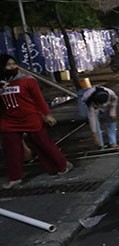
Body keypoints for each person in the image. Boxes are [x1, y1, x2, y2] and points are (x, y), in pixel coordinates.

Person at [0, 54, 72, 189]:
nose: (12, 67)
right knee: (11, 150)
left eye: (14, 64)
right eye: (8, 65)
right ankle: (15, 177)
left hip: (30, 118)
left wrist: (47, 115)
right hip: (9, 121)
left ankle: (61, 165)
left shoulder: (27, 80)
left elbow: (38, 98)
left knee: (43, 144)